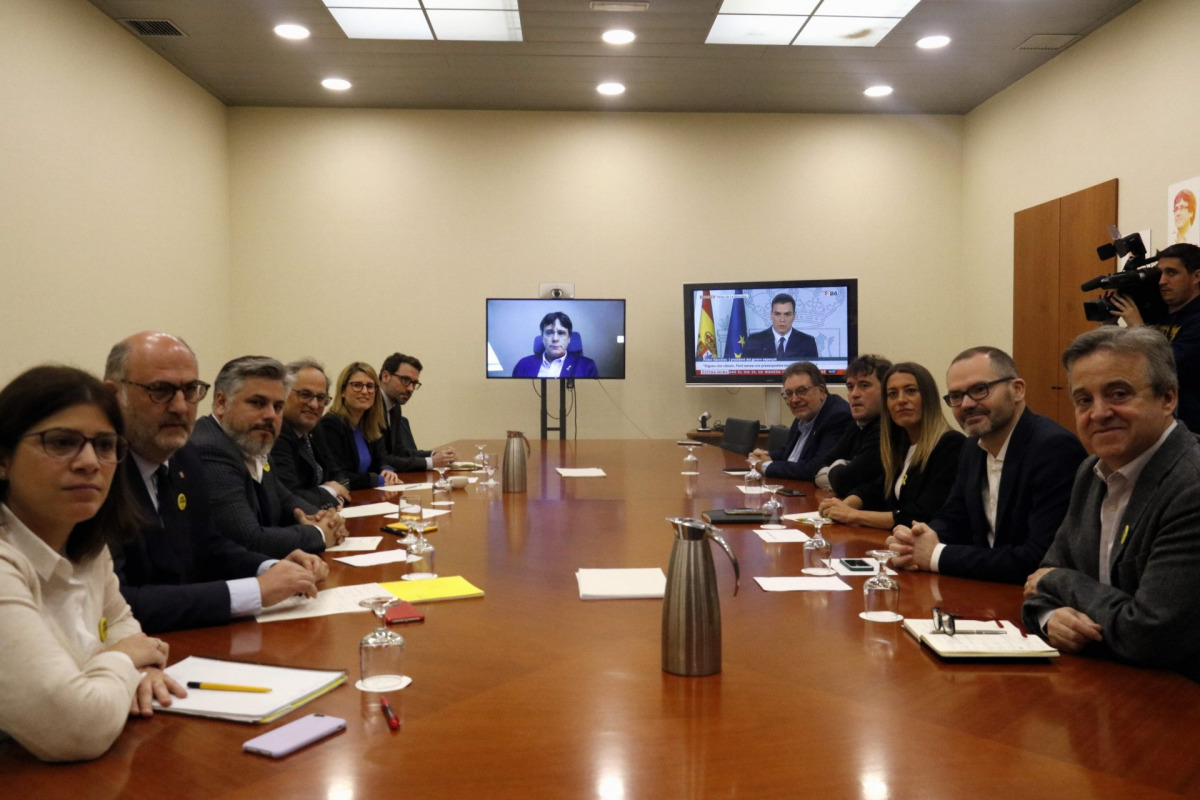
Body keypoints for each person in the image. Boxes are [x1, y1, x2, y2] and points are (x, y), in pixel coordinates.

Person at [0, 365, 185, 761]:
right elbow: (76, 728)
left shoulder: (87, 544)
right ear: (3, 458)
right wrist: (126, 661)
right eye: (62, 442)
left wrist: (131, 667)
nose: (90, 462)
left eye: (104, 445)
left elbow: (122, 623)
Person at [104, 333, 327, 633]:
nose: (181, 407)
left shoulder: (183, 456)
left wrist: (271, 567)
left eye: (190, 390)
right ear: (113, 396)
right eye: (161, 390)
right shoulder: (97, 473)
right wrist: (256, 591)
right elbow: (117, 603)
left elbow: (209, 545)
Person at [1022, 327, 1200, 680]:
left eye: (1118, 394)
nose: (1099, 413)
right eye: (1083, 400)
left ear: (1168, 398)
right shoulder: (1091, 471)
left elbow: (1151, 634)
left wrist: (1060, 582)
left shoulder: (1191, 485)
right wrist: (1051, 617)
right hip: (1101, 684)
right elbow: (1039, 585)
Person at [886, 347, 1085, 584]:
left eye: (980, 389)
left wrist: (936, 555)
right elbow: (954, 516)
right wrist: (918, 539)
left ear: (1017, 390)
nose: (966, 404)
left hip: (1028, 595)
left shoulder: (1053, 448)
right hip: (984, 588)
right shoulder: (972, 447)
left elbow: (1039, 557)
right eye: (956, 396)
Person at [191, 356, 346, 558]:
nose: (271, 415)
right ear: (221, 403)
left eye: (278, 406)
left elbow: (286, 500)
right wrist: (319, 533)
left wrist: (326, 520)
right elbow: (249, 540)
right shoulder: (211, 448)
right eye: (257, 403)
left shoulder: (254, 442)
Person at [818, 363, 964, 529]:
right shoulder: (902, 444)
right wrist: (846, 504)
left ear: (928, 397)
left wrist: (853, 515)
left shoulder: (950, 445)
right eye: (892, 394)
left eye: (910, 391)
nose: (901, 400)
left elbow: (923, 514)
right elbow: (880, 488)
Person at [1109, 242, 1200, 433]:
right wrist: (1109, 326)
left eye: (1172, 273)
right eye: (1160, 273)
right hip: (1155, 424)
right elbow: (1128, 359)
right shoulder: (1156, 312)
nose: (1162, 281)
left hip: (1190, 430)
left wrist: (1139, 328)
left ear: (1196, 277)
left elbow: (1170, 367)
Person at [750, 361, 850, 481]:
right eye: (789, 393)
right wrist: (765, 456)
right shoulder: (804, 413)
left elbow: (817, 467)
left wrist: (766, 466)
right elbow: (789, 451)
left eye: (802, 391)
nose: (794, 400)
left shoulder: (838, 416)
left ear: (821, 391)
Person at [270, 359, 349, 509]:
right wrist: (330, 492)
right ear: (283, 394)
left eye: (321, 398)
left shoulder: (314, 427)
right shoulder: (276, 433)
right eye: (305, 394)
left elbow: (337, 475)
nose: (314, 405)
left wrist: (338, 496)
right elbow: (289, 497)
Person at [313, 362, 404, 490]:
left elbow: (381, 459)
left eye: (370, 386)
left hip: (368, 495)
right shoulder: (330, 425)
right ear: (343, 391)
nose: (365, 391)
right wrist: (377, 480)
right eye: (357, 385)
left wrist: (387, 471)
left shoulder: (369, 424)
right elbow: (339, 475)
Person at [813, 354, 891, 496]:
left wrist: (838, 465)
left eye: (864, 385)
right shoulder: (857, 425)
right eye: (850, 387)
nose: (854, 394)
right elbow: (819, 465)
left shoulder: (887, 429)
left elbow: (844, 482)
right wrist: (843, 466)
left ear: (887, 391)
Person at [378, 352, 456, 472]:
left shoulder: (395, 406)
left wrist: (434, 455)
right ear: (385, 376)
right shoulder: (371, 406)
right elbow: (381, 460)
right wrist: (430, 462)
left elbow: (399, 452)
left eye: (414, 383)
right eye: (405, 380)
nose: (410, 388)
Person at [511, 312, 600, 378]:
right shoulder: (523, 365)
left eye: (561, 333)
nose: (555, 339)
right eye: (549, 332)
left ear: (569, 338)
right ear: (542, 338)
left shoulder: (587, 366)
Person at [743, 293, 818, 360]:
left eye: (787, 314)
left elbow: (812, 370)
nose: (782, 320)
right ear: (771, 315)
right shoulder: (753, 341)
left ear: (794, 316)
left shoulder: (807, 342)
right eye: (777, 314)